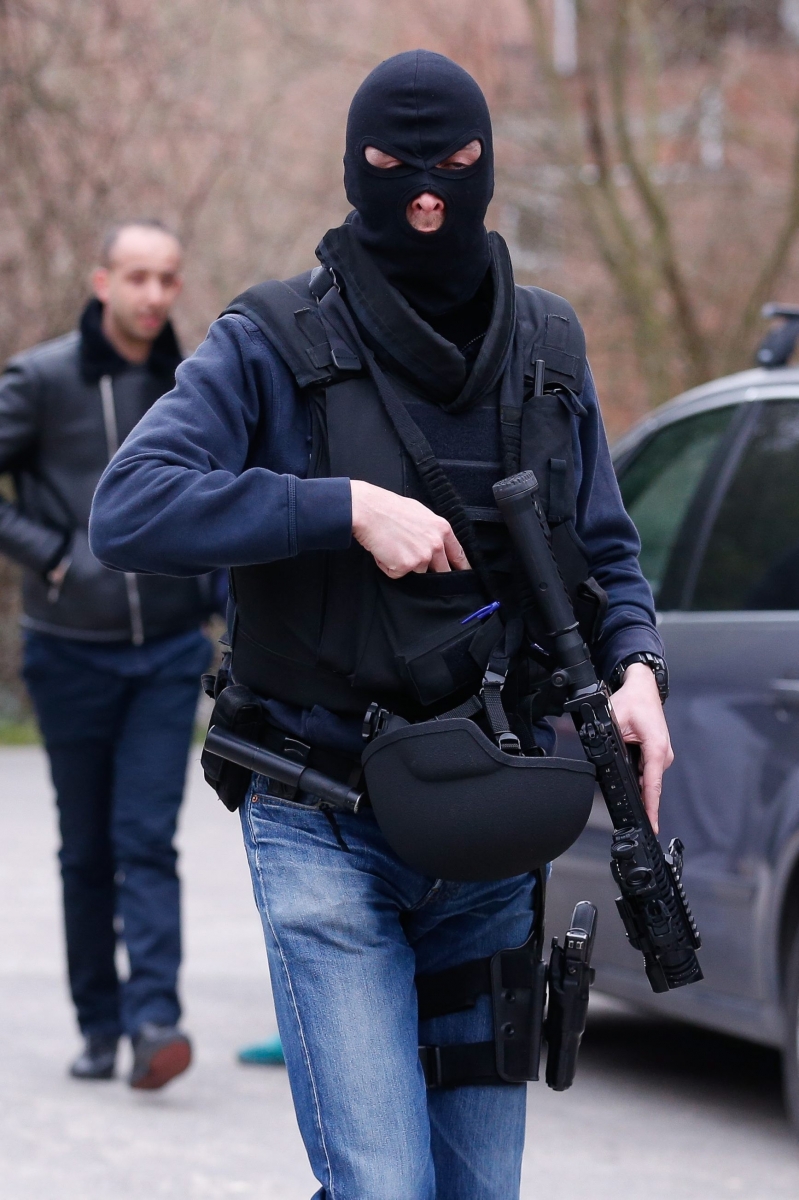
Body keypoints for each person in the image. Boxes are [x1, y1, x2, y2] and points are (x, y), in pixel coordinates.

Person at [90, 54, 673, 1198]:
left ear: (488, 168)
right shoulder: (268, 339)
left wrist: (638, 665)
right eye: (393, 170)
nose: (424, 199)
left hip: (492, 835)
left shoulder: (548, 349)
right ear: (351, 173)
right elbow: (130, 505)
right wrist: (337, 508)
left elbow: (605, 545)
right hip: (323, 816)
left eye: (453, 169)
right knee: (381, 1189)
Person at [0, 221, 215, 1089]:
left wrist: (212, 586)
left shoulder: (194, 381)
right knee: (86, 848)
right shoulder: (44, 378)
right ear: (102, 282)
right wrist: (52, 550)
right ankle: (98, 1021)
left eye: (168, 277)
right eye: (137, 277)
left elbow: (221, 486)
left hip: (167, 649)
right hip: (68, 650)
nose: (154, 295)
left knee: (146, 838)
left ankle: (154, 1018)